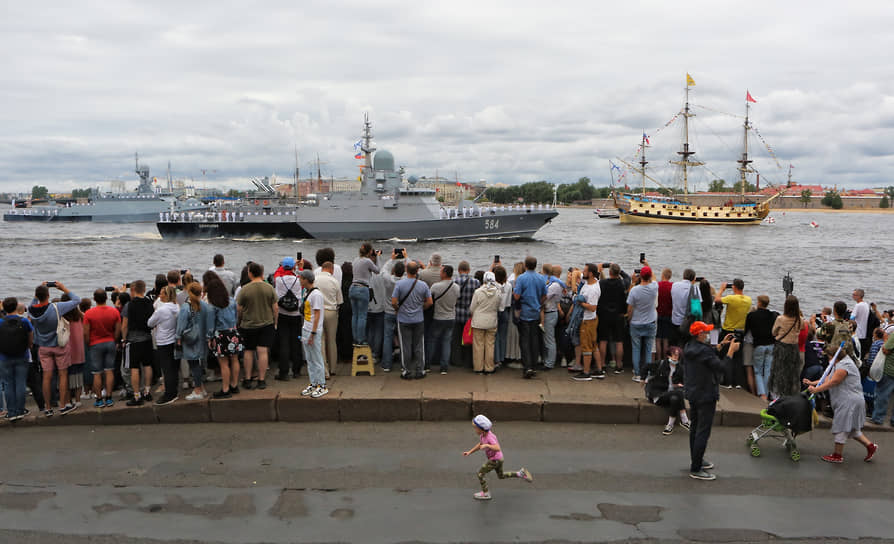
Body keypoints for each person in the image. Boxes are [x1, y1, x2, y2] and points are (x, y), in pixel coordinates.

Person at [684, 321, 740, 481]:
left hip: (693, 392)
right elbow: (722, 367)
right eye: (705, 332)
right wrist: (730, 352)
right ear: (699, 334)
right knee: (703, 430)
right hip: (706, 394)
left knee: (695, 428)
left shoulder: (689, 347)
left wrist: (722, 344)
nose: (708, 335)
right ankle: (696, 468)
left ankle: (696, 459)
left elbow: (707, 354)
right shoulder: (704, 351)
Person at [804, 351, 878, 463]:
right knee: (852, 429)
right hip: (848, 400)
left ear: (835, 356)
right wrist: (813, 383)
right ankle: (870, 446)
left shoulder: (845, 365)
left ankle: (837, 455)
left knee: (841, 427)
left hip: (849, 401)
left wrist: (816, 390)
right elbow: (827, 378)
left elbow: (834, 381)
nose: (828, 359)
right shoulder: (839, 364)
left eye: (829, 356)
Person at [28, 282, 81, 416]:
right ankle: (63, 406)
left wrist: (37, 292)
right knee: (63, 375)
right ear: (48, 295)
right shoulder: (56, 307)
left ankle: (48, 408)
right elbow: (76, 300)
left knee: (46, 377)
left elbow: (33, 303)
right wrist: (63, 288)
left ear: (37, 296)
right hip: (59, 345)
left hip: (43, 347)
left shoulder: (31, 310)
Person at [462, 414, 533, 501]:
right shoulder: (482, 436)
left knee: (480, 473)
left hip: (495, 460)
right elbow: (480, 445)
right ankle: (520, 473)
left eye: (475, 428)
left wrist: (487, 445)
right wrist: (470, 452)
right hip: (499, 459)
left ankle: (486, 493)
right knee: (501, 476)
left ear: (482, 429)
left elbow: (497, 448)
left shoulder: (489, 437)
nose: (475, 430)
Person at [237, 262, 277, 390]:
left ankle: (248, 379)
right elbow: (275, 307)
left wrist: (239, 321)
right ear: (261, 273)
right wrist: (275, 321)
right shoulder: (269, 288)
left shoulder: (245, 289)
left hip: (248, 324)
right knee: (263, 351)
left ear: (250, 273)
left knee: (248, 351)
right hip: (266, 323)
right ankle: (261, 379)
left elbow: (239, 308)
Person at [391, 261, 433, 379]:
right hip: (418, 318)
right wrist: (421, 308)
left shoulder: (399, 284)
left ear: (406, 270)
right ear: (417, 271)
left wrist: (398, 309)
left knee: (405, 346)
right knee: (419, 345)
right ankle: (420, 370)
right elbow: (429, 302)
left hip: (403, 319)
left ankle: (406, 370)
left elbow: (393, 302)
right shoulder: (423, 285)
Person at [83, 289, 121, 409]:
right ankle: (109, 397)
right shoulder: (114, 311)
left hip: (95, 344)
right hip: (110, 342)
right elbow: (118, 329)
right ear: (106, 298)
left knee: (97, 373)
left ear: (94, 299)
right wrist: (114, 340)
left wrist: (88, 343)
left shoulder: (89, 313)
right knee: (109, 370)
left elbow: (86, 333)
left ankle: (99, 399)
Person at [205, 276, 241, 398]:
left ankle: (225, 390)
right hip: (233, 332)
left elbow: (210, 324)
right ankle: (234, 385)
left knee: (224, 363)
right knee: (235, 360)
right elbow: (236, 317)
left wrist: (209, 338)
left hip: (220, 334)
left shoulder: (212, 306)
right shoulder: (231, 301)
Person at [176, 282, 213, 400]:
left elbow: (181, 326)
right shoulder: (205, 306)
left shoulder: (186, 307)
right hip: (202, 339)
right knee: (199, 364)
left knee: (193, 365)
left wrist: (178, 338)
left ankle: (197, 390)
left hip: (190, 340)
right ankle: (201, 388)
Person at [641, 345, 689, 435]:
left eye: (677, 356)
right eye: (673, 355)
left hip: (670, 395)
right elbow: (646, 367)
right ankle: (684, 420)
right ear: (668, 355)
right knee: (678, 393)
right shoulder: (661, 364)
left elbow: (684, 383)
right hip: (658, 395)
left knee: (675, 398)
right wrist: (643, 379)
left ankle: (670, 425)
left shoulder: (680, 369)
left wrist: (681, 385)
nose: (675, 357)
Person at [122, 280, 156, 406]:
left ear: (133, 290)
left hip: (134, 339)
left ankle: (137, 395)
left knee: (134, 368)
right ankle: (147, 391)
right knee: (147, 365)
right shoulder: (149, 303)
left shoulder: (129, 305)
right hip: (147, 338)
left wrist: (123, 339)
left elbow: (124, 325)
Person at [0, 297, 34, 421]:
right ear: (16, 307)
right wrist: (29, 347)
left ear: (4, 308)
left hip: (4, 357)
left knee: (8, 384)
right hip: (22, 355)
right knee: (20, 383)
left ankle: (12, 412)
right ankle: (20, 410)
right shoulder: (24, 321)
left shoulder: (0, 321)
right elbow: (31, 337)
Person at [513, 256, 546, 379]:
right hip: (535, 312)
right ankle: (534, 364)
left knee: (524, 341)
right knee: (534, 340)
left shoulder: (521, 278)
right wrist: (538, 303)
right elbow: (544, 296)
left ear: (526, 265)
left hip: (524, 313)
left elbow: (516, 296)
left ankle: (527, 367)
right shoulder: (541, 278)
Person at [715, 279, 752, 388]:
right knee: (737, 358)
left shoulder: (731, 298)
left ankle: (726, 381)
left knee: (726, 356)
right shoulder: (748, 300)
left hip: (728, 330)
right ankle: (737, 383)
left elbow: (717, 300)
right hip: (741, 332)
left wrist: (722, 289)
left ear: (734, 287)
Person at [298, 270, 328, 398]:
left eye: (301, 278)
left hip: (313, 329)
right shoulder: (307, 292)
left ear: (306, 279)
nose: (299, 279)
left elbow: (317, 315)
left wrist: (313, 333)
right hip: (306, 327)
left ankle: (322, 384)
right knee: (309, 359)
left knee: (317, 357)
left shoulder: (316, 295)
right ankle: (313, 382)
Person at [149, 286, 180, 405]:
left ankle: (169, 394)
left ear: (166, 295)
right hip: (173, 339)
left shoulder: (161, 310)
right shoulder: (176, 307)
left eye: (162, 294)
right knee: (173, 367)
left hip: (163, 341)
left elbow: (150, 322)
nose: (160, 296)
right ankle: (174, 390)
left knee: (167, 369)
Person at [769, 295, 804, 400]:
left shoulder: (780, 319)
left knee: (779, 372)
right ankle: (790, 395)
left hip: (782, 347)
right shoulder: (800, 320)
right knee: (792, 374)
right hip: (794, 348)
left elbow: (773, 332)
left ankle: (778, 395)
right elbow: (801, 329)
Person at [626, 265, 658, 381]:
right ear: (649, 276)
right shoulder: (654, 287)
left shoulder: (634, 290)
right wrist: (647, 264)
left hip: (636, 322)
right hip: (650, 321)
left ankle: (638, 374)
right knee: (648, 350)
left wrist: (629, 319)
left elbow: (630, 308)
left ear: (640, 277)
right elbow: (653, 277)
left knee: (636, 348)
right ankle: (647, 373)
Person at [274, 257, 303, 381]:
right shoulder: (298, 280)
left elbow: (277, 273)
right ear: (293, 267)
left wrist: (284, 266)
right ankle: (297, 370)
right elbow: (303, 276)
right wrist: (299, 267)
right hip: (296, 315)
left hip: (282, 314)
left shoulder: (279, 280)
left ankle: (284, 371)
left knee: (284, 343)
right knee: (296, 341)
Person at [427, 265, 459, 374]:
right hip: (451, 317)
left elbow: (429, 300)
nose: (440, 273)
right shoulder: (456, 287)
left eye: (441, 271)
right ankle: (444, 367)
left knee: (432, 340)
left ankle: (427, 364)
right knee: (446, 342)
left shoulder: (435, 286)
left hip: (438, 317)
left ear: (445, 273)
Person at [572, 263, 602, 381]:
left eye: (584, 271)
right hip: (589, 319)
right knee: (594, 345)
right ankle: (599, 370)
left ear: (590, 273)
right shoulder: (590, 283)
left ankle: (586, 372)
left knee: (586, 346)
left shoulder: (593, 289)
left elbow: (593, 307)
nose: (582, 273)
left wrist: (581, 303)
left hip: (588, 320)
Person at [744, 295, 778, 400]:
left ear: (759, 303)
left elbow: (746, 331)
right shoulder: (773, 315)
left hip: (759, 345)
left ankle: (762, 394)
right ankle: (767, 394)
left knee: (758, 371)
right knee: (767, 370)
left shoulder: (751, 315)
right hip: (771, 345)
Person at [469, 271, 502, 374]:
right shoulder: (498, 292)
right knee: (490, 345)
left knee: (478, 345)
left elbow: (472, 308)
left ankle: (478, 368)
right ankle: (489, 367)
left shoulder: (478, 292)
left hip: (478, 321)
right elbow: (500, 307)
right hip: (491, 321)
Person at [597, 264, 627, 374]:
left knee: (603, 340)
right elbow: (624, 300)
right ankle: (619, 365)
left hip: (604, 314)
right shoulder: (621, 283)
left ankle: (603, 364)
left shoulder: (603, 283)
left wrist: (599, 271)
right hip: (618, 314)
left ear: (609, 272)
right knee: (619, 341)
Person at [315, 261, 343, 376]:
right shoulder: (334, 281)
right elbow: (340, 300)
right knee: (331, 340)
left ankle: (324, 370)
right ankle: (333, 369)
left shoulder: (315, 279)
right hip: (331, 312)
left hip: (318, 311)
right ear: (331, 270)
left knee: (321, 341)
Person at [349, 243, 379, 345]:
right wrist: (377, 258)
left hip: (352, 287)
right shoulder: (368, 261)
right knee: (362, 316)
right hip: (362, 289)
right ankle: (360, 340)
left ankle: (354, 338)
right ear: (370, 251)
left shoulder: (355, 260)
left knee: (355, 315)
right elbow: (377, 271)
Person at [452, 261, 480, 369]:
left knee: (456, 339)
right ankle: (468, 361)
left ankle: (456, 360)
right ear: (469, 270)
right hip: (470, 314)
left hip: (457, 313)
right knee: (469, 338)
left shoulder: (454, 282)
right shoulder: (476, 282)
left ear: (459, 270)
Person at [541, 265, 564, 370]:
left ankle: (550, 362)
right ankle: (547, 360)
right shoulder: (555, 283)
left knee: (549, 339)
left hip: (550, 312)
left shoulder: (554, 285)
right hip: (551, 311)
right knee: (547, 338)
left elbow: (545, 297)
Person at [870, 328, 894, 426]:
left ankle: (878, 418)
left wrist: (886, 341)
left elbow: (886, 349)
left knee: (882, 394)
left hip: (890, 369)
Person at [670, 269, 699, 347]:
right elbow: (698, 306)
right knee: (686, 345)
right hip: (687, 323)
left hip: (675, 320)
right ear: (694, 278)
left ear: (683, 276)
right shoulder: (695, 289)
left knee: (675, 345)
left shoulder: (674, 285)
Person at [655, 268, 674, 361]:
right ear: (670, 276)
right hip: (668, 314)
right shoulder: (672, 286)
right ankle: (666, 360)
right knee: (666, 339)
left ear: (662, 275)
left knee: (658, 339)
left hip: (658, 313)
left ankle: (658, 359)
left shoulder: (658, 285)